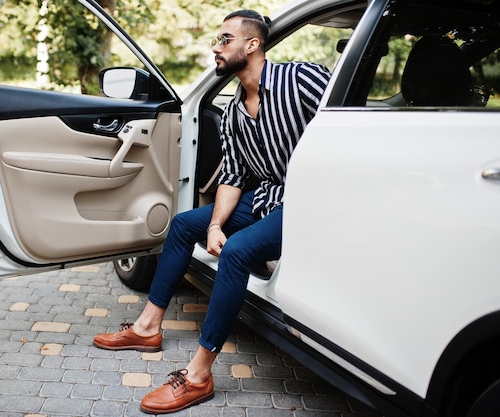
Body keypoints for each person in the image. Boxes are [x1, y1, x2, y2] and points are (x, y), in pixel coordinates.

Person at [93, 9, 331, 414]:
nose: (215, 48)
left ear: (252, 45)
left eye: (224, 39)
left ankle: (199, 376)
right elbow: (233, 177)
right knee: (186, 224)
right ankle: (148, 327)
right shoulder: (236, 113)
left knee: (236, 252)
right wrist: (216, 224)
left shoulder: (301, 79)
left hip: (314, 203)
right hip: (269, 200)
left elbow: (348, 110)